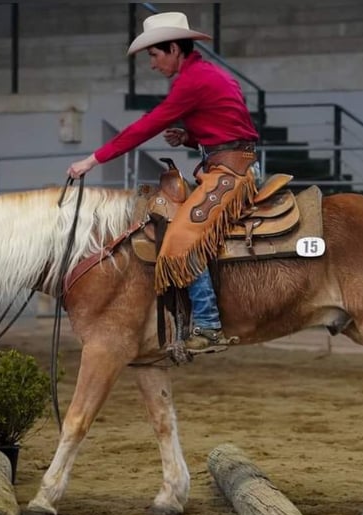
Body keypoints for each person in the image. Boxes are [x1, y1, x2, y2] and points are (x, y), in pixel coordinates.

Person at [67, 11, 259, 351]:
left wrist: (92, 160)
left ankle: (209, 324)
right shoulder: (210, 75)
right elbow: (231, 125)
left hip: (231, 173)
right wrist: (189, 139)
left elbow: (144, 127)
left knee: (182, 237)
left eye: (154, 55)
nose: (153, 64)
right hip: (227, 164)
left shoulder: (192, 81)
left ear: (173, 48)